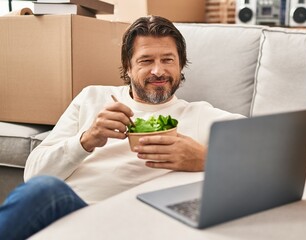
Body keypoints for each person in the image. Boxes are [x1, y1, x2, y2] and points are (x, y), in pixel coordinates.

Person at [0, 15, 244, 239]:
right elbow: (32, 175)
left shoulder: (199, 115)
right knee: (44, 189)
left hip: (132, 226)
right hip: (67, 209)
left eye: (168, 60)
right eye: (146, 61)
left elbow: (273, 157)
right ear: (127, 67)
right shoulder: (92, 97)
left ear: (180, 65)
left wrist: (204, 158)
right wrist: (86, 140)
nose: (158, 71)